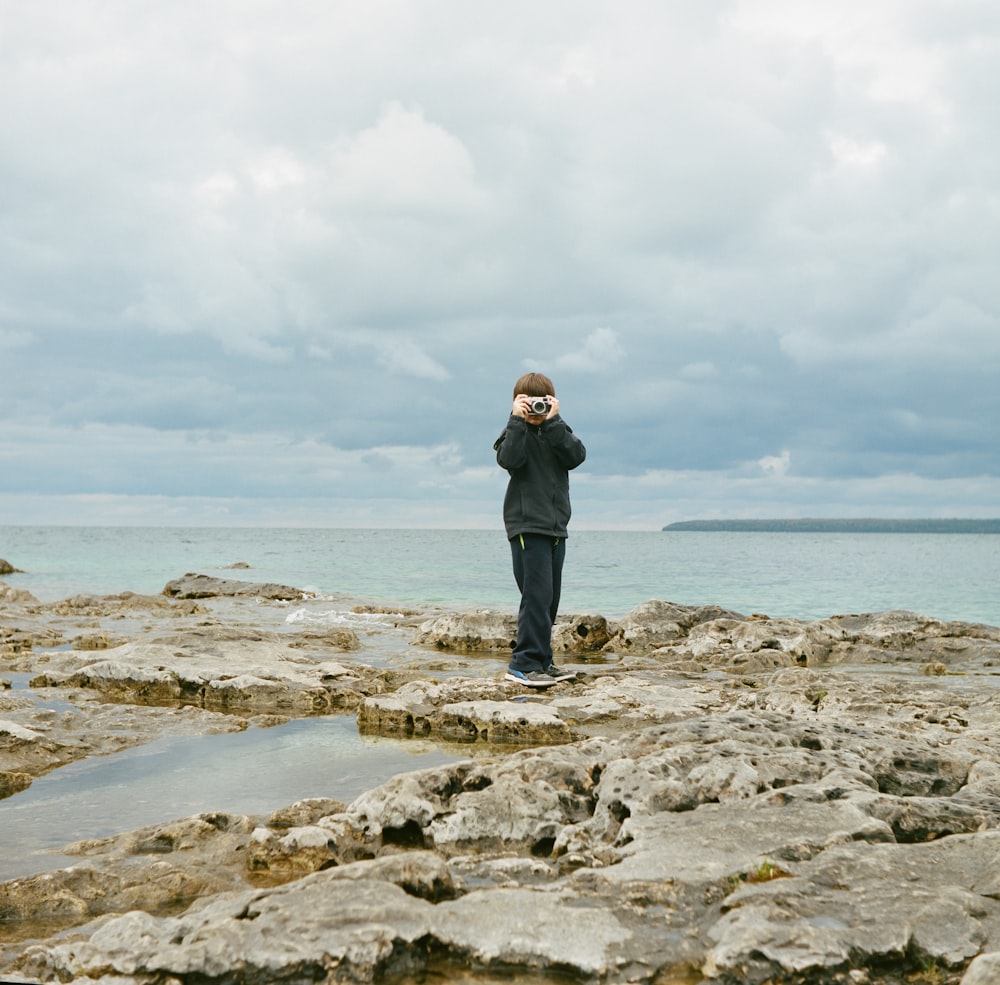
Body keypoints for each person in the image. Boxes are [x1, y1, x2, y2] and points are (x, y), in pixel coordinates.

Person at [493, 372, 587, 687]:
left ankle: (543, 662)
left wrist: (553, 421)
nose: (535, 408)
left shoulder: (557, 432)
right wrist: (517, 420)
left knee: (549, 599)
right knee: (536, 596)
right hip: (526, 526)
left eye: (541, 401)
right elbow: (510, 460)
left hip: (556, 528)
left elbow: (576, 456)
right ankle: (522, 664)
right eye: (528, 401)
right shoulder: (513, 433)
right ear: (517, 402)